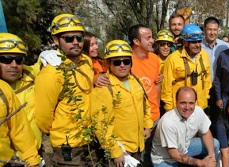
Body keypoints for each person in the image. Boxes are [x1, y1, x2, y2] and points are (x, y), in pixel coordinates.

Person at [34, 13, 95, 166]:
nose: (76, 42)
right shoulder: (51, 72)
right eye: (69, 39)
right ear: (56, 40)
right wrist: (60, 131)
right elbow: (43, 118)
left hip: (90, 141)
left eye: (79, 38)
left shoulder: (86, 62)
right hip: (68, 148)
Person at [90, 40, 152, 167]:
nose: (122, 65)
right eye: (117, 62)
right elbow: (100, 125)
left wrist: (147, 125)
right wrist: (115, 151)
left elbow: (145, 105)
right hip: (121, 151)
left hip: (138, 146)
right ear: (108, 63)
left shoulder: (136, 81)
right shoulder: (104, 88)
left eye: (126, 61)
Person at [152, 86, 219, 167]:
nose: (187, 107)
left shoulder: (198, 111)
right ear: (176, 102)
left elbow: (206, 133)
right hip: (165, 158)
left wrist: (211, 158)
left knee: (215, 143)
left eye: (191, 103)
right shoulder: (167, 122)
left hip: (184, 147)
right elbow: (173, 154)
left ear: (195, 102)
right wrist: (201, 163)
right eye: (183, 103)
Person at [0, 33, 41, 167]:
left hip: (32, 153)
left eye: (19, 59)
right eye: (6, 59)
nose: (14, 65)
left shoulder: (29, 75)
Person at [128, 24, 161, 166]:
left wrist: (157, 109)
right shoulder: (124, 61)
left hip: (154, 117)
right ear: (136, 41)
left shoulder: (154, 59)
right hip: (135, 120)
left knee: (152, 155)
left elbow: (156, 85)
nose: (152, 41)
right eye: (148, 38)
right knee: (137, 158)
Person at [161, 24, 211, 111]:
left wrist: (206, 97)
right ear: (184, 42)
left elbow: (207, 79)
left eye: (199, 41)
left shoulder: (204, 55)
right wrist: (169, 108)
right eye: (193, 42)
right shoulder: (173, 59)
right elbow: (166, 87)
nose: (197, 45)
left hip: (200, 105)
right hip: (180, 108)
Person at [201, 17, 229, 117]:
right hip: (202, 87)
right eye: (209, 29)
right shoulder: (197, 46)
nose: (212, 32)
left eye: (215, 30)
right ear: (204, 29)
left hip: (219, 89)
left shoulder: (225, 46)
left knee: (218, 117)